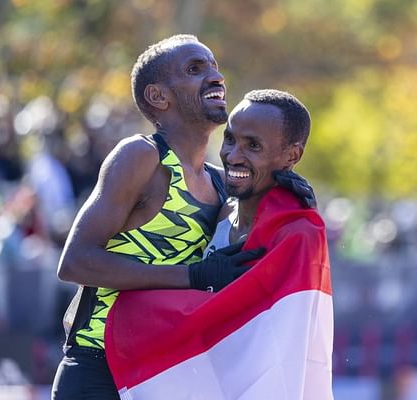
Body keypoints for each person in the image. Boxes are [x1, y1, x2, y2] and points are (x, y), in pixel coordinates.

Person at [51, 35, 314, 400]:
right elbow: (75, 262)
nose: (216, 76)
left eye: (215, 66)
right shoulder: (141, 157)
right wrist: (190, 277)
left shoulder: (221, 184)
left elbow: (247, 262)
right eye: (195, 69)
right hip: (101, 367)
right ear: (159, 97)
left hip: (165, 371)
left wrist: (287, 197)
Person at [103, 89, 334, 399]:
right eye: (229, 140)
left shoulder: (298, 232)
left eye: (253, 146)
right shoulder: (221, 205)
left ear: (292, 156)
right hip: (205, 381)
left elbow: (287, 340)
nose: (233, 155)